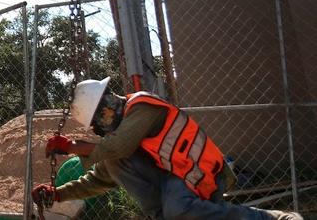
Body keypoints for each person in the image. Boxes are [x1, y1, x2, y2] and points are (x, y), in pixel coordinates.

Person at [32, 77, 302, 220]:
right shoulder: (120, 138)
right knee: (112, 164)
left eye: (98, 123)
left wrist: (71, 146)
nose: (100, 130)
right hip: (176, 177)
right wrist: (57, 195)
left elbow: (119, 146)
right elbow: (99, 179)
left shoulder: (142, 107)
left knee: (177, 210)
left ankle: (272, 218)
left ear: (107, 107)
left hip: (200, 171)